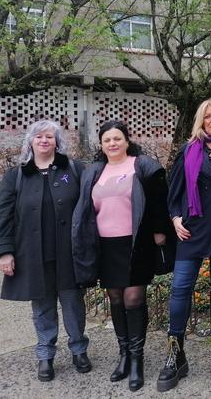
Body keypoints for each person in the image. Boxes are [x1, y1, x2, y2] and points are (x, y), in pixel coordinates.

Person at [71, 120, 173, 392]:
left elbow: (158, 201)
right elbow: (85, 209)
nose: (112, 143)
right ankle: (124, 354)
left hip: (136, 242)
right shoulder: (93, 172)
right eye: (107, 140)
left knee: (133, 298)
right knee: (115, 297)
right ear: (102, 145)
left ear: (127, 141)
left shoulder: (141, 166)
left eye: (117, 138)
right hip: (105, 245)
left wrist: (160, 231)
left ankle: (137, 360)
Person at [156, 97, 211, 392]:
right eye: (207, 116)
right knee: (181, 287)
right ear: (201, 120)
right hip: (191, 230)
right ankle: (175, 352)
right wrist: (174, 218)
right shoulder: (189, 150)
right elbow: (174, 189)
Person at [0, 119, 90, 382]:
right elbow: (3, 217)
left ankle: (79, 349)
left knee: (73, 304)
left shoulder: (74, 169)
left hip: (68, 253)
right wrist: (5, 252)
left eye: (50, 137)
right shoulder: (16, 175)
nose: (45, 141)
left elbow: (89, 208)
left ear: (57, 142)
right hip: (33, 255)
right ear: (31, 142)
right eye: (39, 137)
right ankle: (45, 355)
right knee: (42, 306)